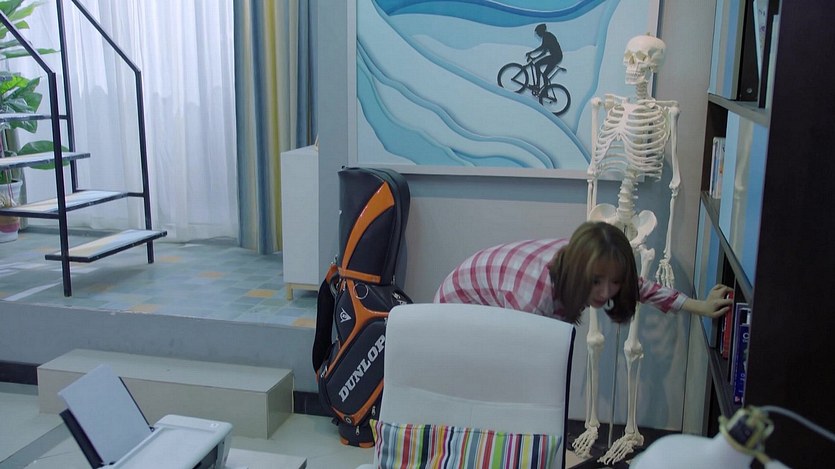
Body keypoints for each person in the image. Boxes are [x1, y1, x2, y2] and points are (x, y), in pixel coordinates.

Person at [434, 221, 733, 324]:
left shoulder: (589, 257)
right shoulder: (534, 296)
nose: (606, 292)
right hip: (455, 309)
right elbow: (523, 356)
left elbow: (639, 286)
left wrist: (700, 306)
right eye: (596, 282)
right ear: (580, 272)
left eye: (614, 282)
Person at [526, 23, 563, 89]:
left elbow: (542, 48)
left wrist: (532, 53)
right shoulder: (547, 35)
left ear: (541, 31)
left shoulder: (547, 36)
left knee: (538, 66)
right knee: (543, 72)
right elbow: (544, 51)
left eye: (538, 32)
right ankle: (541, 88)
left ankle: (538, 86)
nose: (537, 34)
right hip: (556, 56)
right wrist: (535, 57)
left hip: (555, 57)